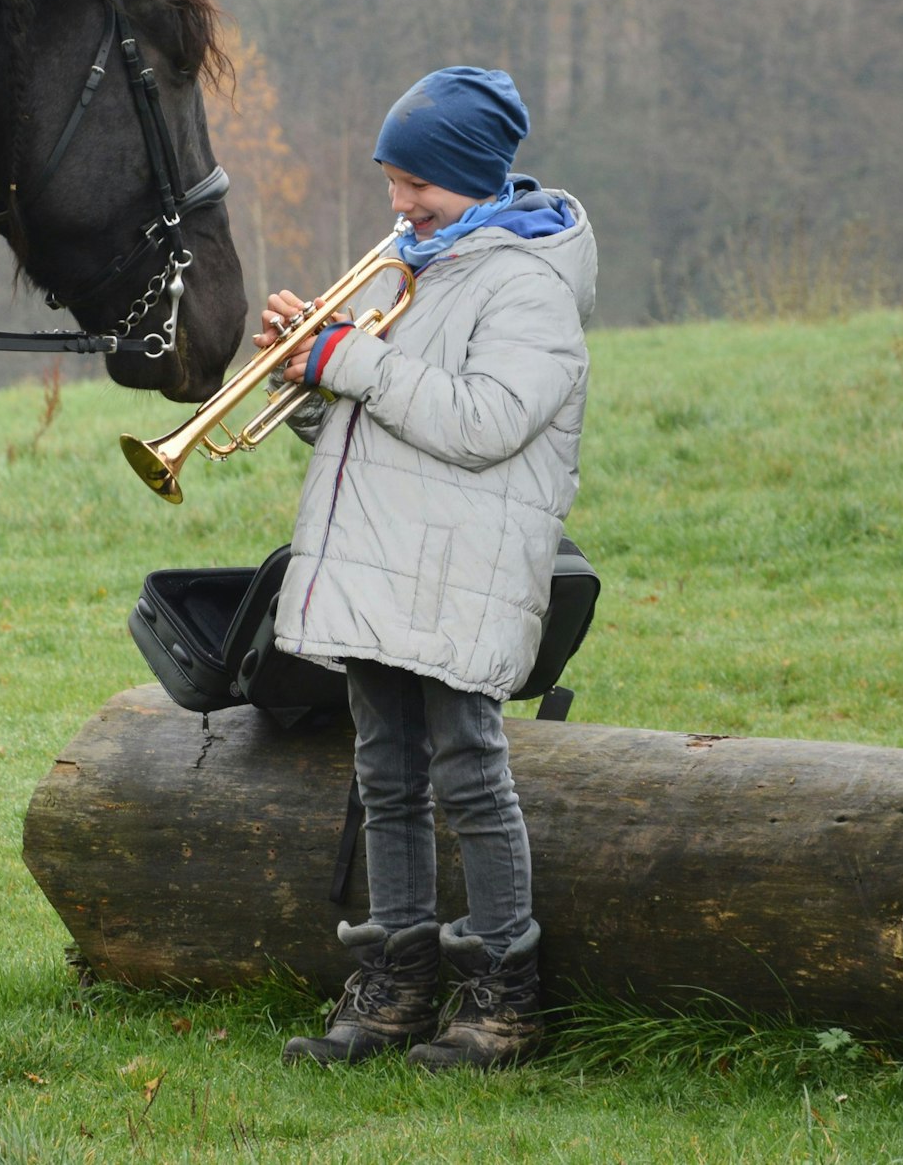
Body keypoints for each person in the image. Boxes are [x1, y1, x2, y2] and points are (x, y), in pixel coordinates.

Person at [263, 67, 594, 1072]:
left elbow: (481, 422)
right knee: (384, 777)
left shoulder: (528, 286)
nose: (400, 204)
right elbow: (375, 419)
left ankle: (501, 1000)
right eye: (390, 182)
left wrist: (345, 362)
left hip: (458, 566)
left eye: (419, 185)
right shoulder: (408, 269)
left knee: (467, 772)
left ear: (474, 177)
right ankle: (395, 985)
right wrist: (305, 375)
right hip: (379, 560)